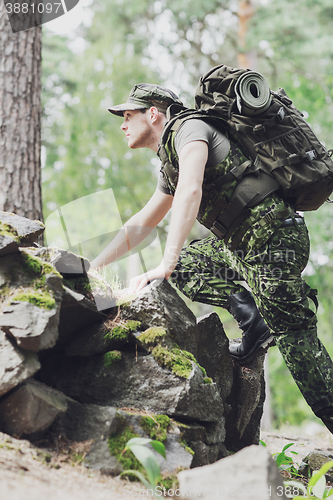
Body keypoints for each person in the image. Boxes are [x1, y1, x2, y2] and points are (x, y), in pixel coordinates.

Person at [91, 83, 333, 433]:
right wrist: (94, 266)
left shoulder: (189, 129)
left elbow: (192, 189)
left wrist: (166, 261)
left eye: (129, 116)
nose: (123, 125)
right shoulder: (169, 161)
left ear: (154, 113)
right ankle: (254, 322)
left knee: (299, 346)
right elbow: (141, 224)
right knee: (190, 265)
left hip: (274, 238)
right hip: (241, 247)